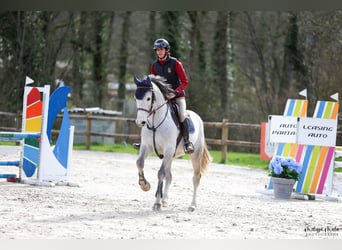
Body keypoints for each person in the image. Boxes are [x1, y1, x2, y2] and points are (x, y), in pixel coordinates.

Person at [134, 38, 194, 154]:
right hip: (162, 98)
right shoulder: (154, 66)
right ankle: (145, 142)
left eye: (161, 49)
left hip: (178, 96)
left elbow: (185, 82)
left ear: (166, 50)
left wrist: (175, 93)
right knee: (148, 112)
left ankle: (187, 143)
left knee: (182, 115)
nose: (159, 52)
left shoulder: (176, 63)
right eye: (157, 50)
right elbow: (153, 84)